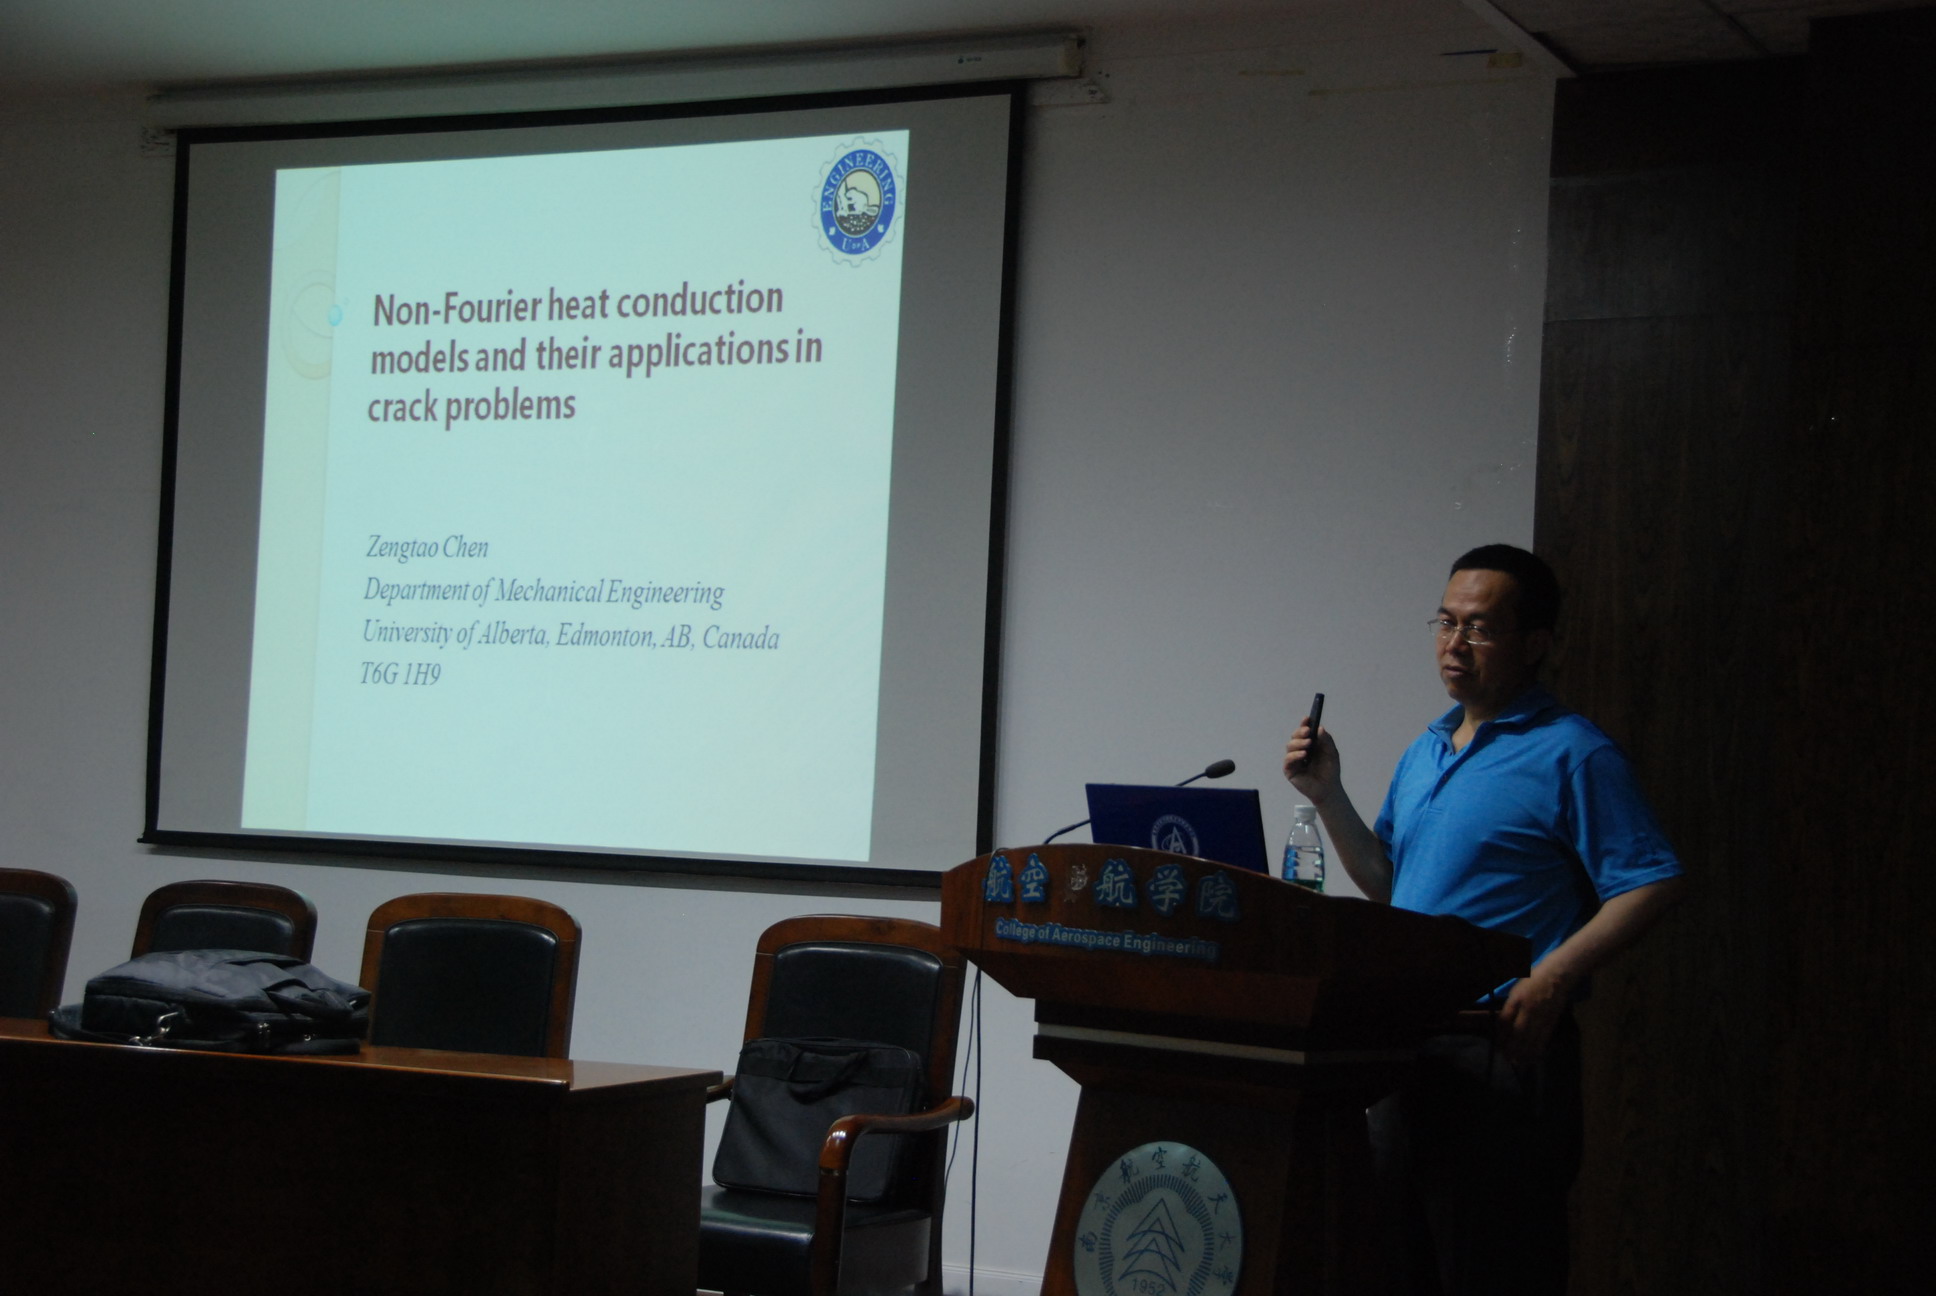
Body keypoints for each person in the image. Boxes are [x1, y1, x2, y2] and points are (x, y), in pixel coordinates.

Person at [1282, 543, 1684, 1296]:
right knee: (1398, 1263)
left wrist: (1553, 976)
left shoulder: (1574, 753)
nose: (1454, 644)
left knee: (1495, 1267)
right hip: (1405, 1043)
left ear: (1535, 644)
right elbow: (1391, 885)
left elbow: (1651, 882)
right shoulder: (1427, 749)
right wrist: (1328, 795)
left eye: (1480, 628)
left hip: (1500, 1049)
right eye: (1445, 622)